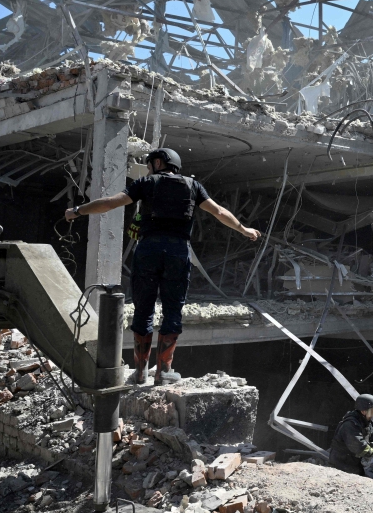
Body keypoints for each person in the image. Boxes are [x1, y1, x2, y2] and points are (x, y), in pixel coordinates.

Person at [64, 148, 260, 385]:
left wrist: (77, 211)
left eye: (149, 165)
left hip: (148, 251)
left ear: (159, 162)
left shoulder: (146, 183)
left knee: (143, 309)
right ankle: (164, 372)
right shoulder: (193, 187)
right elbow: (218, 211)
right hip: (177, 253)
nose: (148, 169)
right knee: (172, 310)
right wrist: (244, 229)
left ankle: (140, 372)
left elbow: (110, 203)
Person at [328, 394, 373, 475]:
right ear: (363, 411)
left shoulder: (364, 421)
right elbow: (359, 447)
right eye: (371, 411)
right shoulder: (350, 425)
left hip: (353, 460)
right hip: (341, 462)